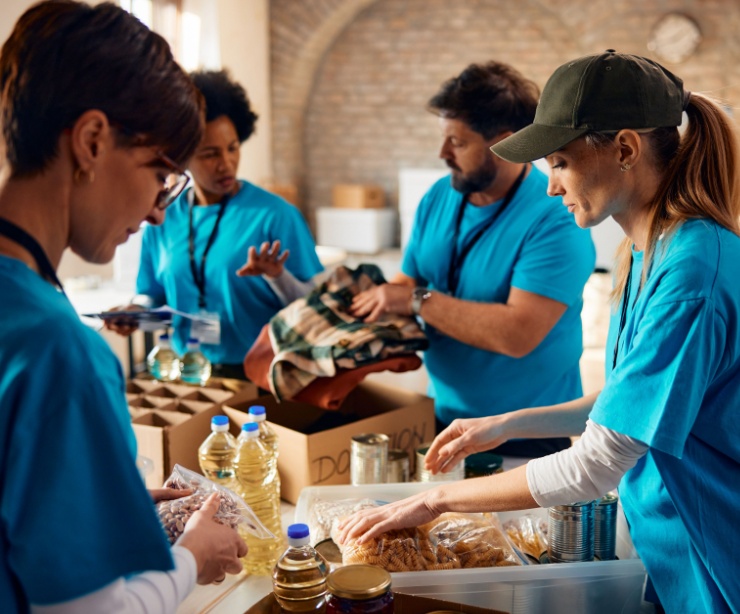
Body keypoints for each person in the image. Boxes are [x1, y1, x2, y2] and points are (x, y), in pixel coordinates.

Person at [338, 50, 740, 613]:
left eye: (559, 162)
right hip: (667, 544)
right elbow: (631, 402)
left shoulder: (694, 271)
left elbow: (597, 459)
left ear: (625, 149)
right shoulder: (647, 251)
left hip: (713, 548)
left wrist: (436, 502)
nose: (550, 187)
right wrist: (507, 423)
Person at [0, 2, 247, 612]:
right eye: (161, 172)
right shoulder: (57, 348)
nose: (160, 209)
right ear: (90, 141)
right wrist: (191, 559)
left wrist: (113, 505)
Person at [347, 61, 595, 457]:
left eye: (458, 143)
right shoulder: (438, 197)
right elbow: (408, 281)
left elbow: (517, 334)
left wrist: (415, 302)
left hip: (527, 435)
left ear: (506, 142)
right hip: (444, 417)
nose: (443, 153)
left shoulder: (556, 216)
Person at [107, 70, 323, 380]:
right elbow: (153, 297)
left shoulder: (275, 215)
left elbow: (313, 309)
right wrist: (135, 313)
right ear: (181, 158)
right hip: (189, 371)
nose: (226, 163)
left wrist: (278, 276)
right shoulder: (163, 216)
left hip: (263, 374)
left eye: (233, 148)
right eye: (210, 154)